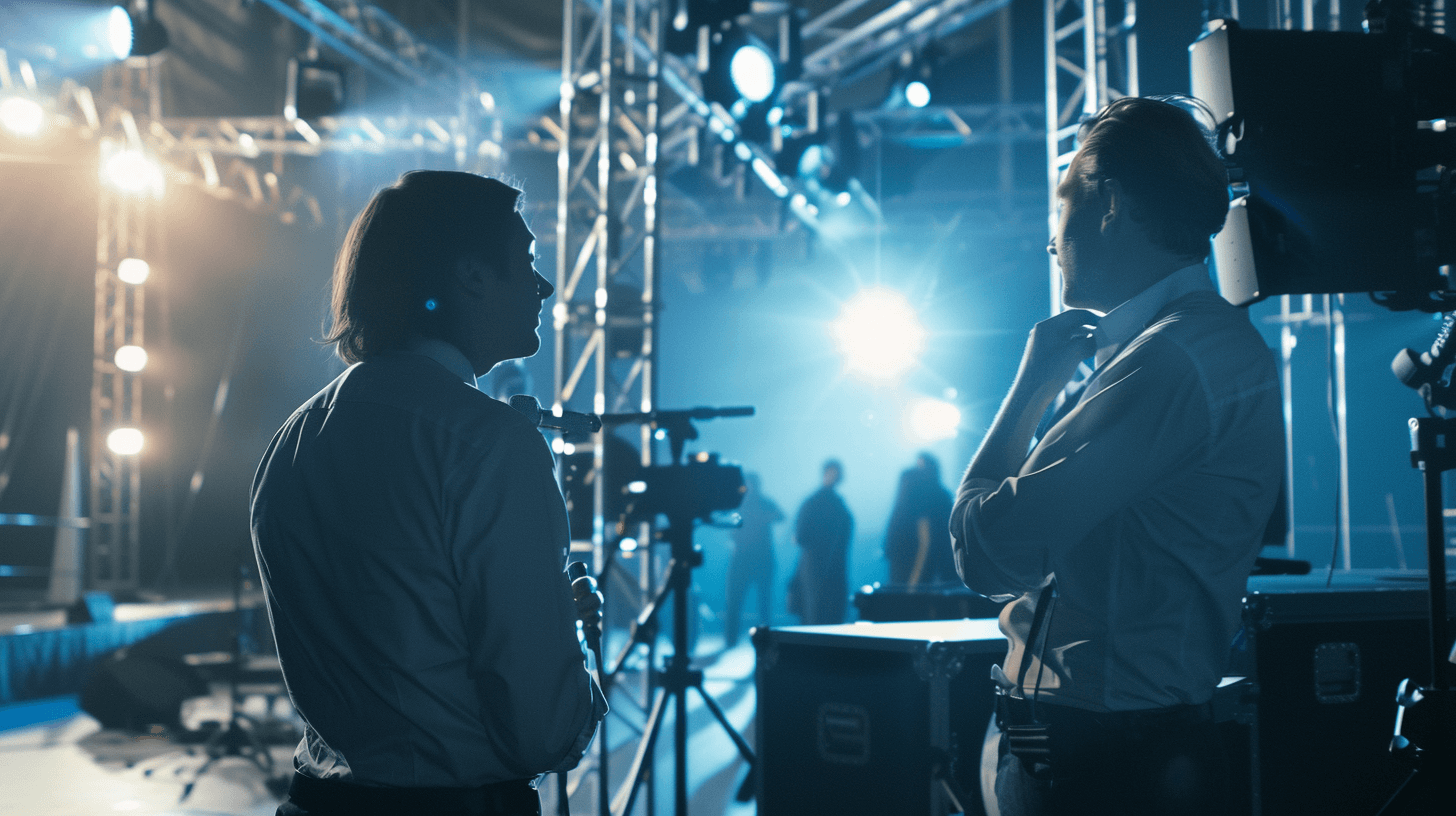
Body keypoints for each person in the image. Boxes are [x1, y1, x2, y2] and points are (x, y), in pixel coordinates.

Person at [949, 97, 1282, 816]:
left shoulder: (1167, 361)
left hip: (1104, 764)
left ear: (1110, 204)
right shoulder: (1193, 345)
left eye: (1061, 201)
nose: (1051, 238)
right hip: (1116, 751)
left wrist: (1028, 392)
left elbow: (986, 554)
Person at [251, 171, 606, 816]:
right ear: (469, 275)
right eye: (525, 259)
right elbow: (542, 732)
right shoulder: (488, 442)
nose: (544, 286)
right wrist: (571, 642)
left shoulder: (291, 442)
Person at [789, 459, 854, 625]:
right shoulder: (817, 502)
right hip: (816, 569)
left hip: (829, 567)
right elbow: (800, 536)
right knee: (817, 614)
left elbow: (799, 537)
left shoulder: (832, 503)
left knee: (825, 614)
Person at [723, 472, 785, 647]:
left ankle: (766, 640)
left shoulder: (765, 503)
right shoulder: (737, 501)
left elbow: (781, 516)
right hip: (741, 559)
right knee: (734, 601)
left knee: (764, 604)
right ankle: (730, 640)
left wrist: (762, 517)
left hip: (762, 560)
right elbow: (726, 521)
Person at [884, 452, 956, 587]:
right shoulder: (911, 501)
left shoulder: (933, 498)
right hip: (909, 574)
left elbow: (927, 544)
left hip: (926, 577)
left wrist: (913, 585)